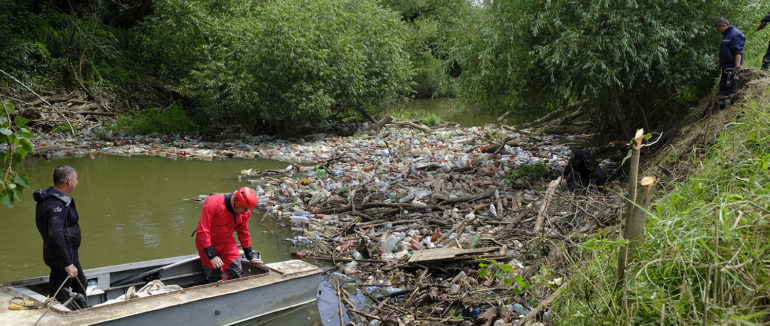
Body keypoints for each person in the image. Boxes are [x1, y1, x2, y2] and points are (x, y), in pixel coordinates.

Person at [34, 165, 88, 308]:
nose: (77, 182)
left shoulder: (48, 198)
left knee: (81, 284)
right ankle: (62, 315)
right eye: (76, 179)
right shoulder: (56, 203)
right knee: (59, 293)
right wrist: (68, 263)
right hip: (62, 256)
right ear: (69, 181)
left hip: (65, 253)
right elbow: (54, 233)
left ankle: (80, 312)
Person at [195, 186, 263, 283]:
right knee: (215, 278)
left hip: (226, 242)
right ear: (237, 201)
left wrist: (250, 256)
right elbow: (203, 231)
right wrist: (212, 256)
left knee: (236, 272)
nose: (246, 211)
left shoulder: (245, 213)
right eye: (244, 208)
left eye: (248, 209)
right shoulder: (214, 203)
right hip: (207, 243)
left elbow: (243, 233)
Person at [715, 18, 745, 109]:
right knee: (723, 88)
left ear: (724, 26)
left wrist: (737, 67)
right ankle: (722, 107)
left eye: (718, 29)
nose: (718, 31)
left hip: (731, 67)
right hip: (725, 66)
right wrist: (720, 62)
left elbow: (738, 52)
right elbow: (725, 50)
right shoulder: (727, 34)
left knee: (730, 88)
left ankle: (730, 108)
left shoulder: (735, 34)